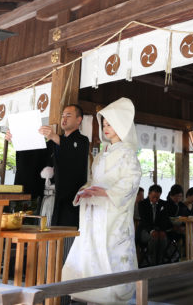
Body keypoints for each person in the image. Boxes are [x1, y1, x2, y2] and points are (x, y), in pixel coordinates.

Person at [62, 97, 142, 304]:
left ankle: (111, 294)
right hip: (95, 211)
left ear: (122, 126)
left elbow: (131, 181)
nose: (106, 128)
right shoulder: (100, 155)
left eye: (110, 124)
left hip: (113, 213)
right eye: (104, 124)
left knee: (111, 249)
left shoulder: (128, 154)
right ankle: (89, 291)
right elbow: (92, 180)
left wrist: (107, 192)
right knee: (90, 248)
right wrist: (86, 190)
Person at [5, 104, 89, 228]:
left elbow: (72, 152)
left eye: (68, 116)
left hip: (67, 201)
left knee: (64, 238)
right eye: (63, 116)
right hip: (47, 199)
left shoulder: (82, 141)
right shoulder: (52, 143)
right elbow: (34, 157)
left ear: (79, 120)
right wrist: (17, 140)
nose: (64, 119)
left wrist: (54, 136)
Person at [137, 184, 170, 266]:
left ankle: (160, 261)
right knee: (154, 238)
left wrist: (162, 230)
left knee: (163, 237)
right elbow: (144, 221)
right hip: (145, 230)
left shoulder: (164, 204)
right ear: (149, 194)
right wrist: (151, 231)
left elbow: (165, 219)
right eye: (153, 197)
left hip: (159, 229)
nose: (155, 199)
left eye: (157, 197)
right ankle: (153, 263)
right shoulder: (142, 204)